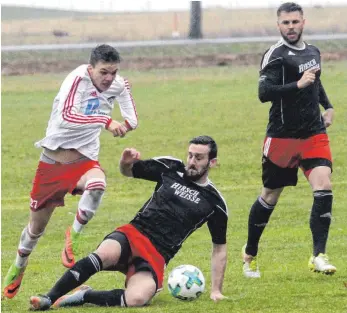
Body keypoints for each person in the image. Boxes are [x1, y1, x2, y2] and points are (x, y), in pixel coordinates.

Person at [28, 136, 228, 310]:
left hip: (158, 254)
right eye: (190, 155)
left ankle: (83, 296)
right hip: (134, 233)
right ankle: (49, 297)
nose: (192, 161)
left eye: (199, 158)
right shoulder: (171, 168)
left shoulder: (214, 203)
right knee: (103, 255)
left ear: (212, 162)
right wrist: (125, 163)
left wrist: (216, 290)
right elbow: (129, 171)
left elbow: (219, 248)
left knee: (137, 298)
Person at [3, 44, 139, 299]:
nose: (109, 78)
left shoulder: (116, 83)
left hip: (84, 162)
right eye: (103, 72)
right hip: (52, 163)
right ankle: (19, 265)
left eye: (114, 72)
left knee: (98, 185)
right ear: (91, 69)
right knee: (35, 230)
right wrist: (106, 121)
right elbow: (66, 116)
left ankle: (73, 235)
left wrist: (126, 100)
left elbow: (132, 121)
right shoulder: (77, 79)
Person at [242, 2, 336, 278]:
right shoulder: (275, 55)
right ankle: (250, 254)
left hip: (313, 134)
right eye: (286, 23)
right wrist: (297, 85)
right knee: (270, 196)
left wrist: (327, 106)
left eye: (295, 22)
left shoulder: (313, 51)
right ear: (278, 25)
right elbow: (264, 92)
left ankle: (318, 255)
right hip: (282, 137)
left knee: (324, 188)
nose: (291, 27)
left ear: (303, 22)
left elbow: (316, 82)